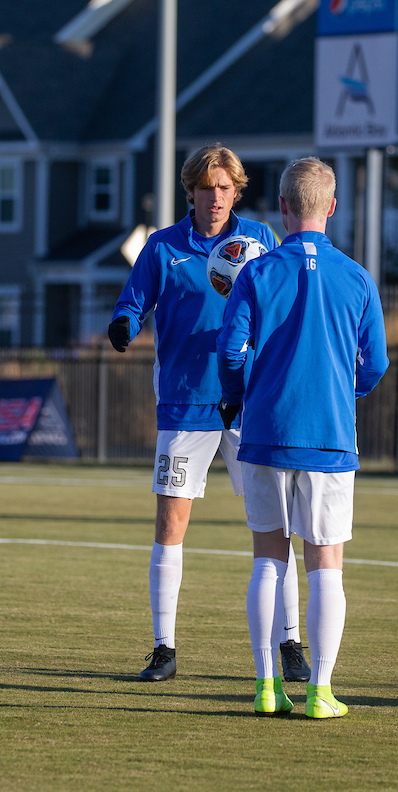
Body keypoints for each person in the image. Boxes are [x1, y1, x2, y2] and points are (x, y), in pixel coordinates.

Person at [109, 144, 311, 683]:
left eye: (224, 187)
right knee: (171, 522)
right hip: (184, 402)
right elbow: (133, 302)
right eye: (205, 187)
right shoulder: (161, 248)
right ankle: (164, 648)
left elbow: (288, 297)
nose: (215, 197)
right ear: (191, 191)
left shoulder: (262, 240)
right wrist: (125, 323)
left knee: (276, 524)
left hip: (251, 402)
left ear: (236, 191)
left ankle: (291, 641)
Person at [216, 157, 388, 718]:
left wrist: (238, 396)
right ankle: (320, 691)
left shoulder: (258, 274)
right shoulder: (358, 277)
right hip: (329, 438)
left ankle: (267, 688)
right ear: (332, 208)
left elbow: (230, 351)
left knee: (269, 558)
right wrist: (345, 390)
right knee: (326, 563)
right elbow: (376, 363)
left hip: (265, 433)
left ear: (283, 210)